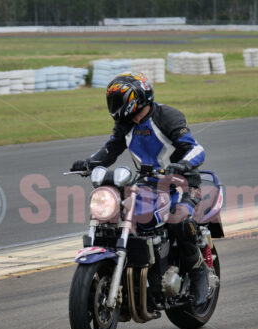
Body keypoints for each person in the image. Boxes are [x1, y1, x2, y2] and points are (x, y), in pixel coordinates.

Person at [70, 72, 209, 306]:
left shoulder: (167, 116)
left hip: (182, 183)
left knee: (179, 221)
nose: (113, 106)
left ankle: (198, 272)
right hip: (147, 185)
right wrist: (89, 162)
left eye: (118, 100)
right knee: (116, 215)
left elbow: (196, 149)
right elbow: (110, 150)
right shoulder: (124, 125)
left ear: (135, 99)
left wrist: (182, 164)